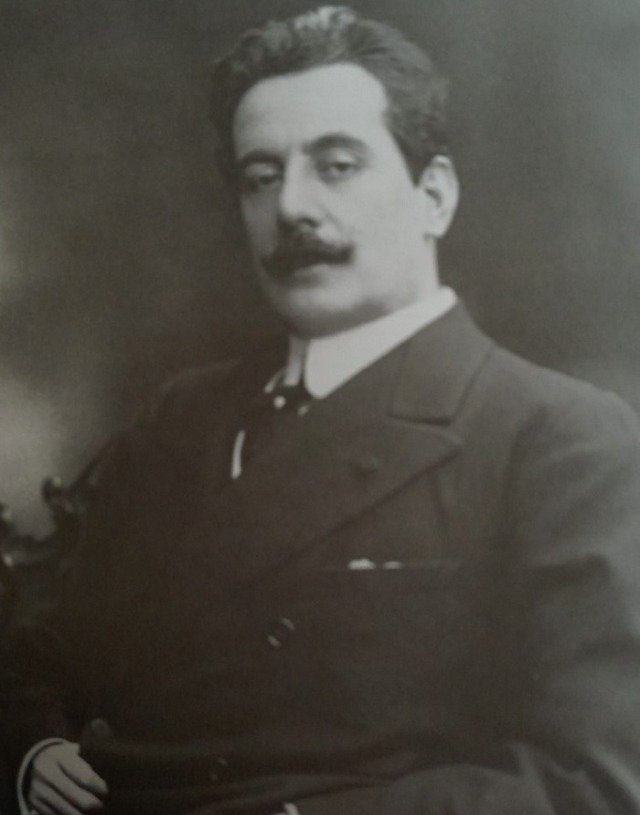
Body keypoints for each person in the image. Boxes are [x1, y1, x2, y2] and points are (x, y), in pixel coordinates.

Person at [4, 5, 640, 814]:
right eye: (260, 177)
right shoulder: (182, 419)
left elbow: (590, 782)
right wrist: (33, 750)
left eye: (336, 166)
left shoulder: (558, 440)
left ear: (434, 195)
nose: (292, 208)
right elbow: (49, 651)